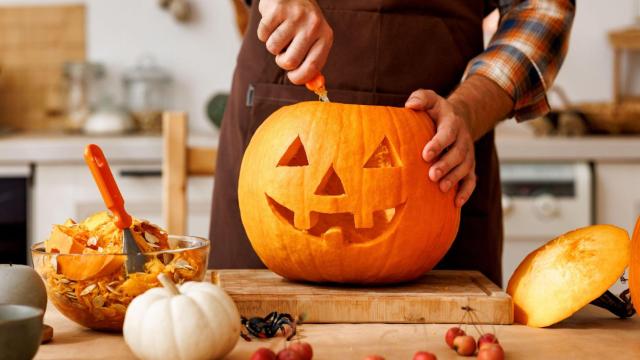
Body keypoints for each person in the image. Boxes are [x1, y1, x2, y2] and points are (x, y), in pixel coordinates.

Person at [210, 0, 575, 286]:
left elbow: (542, 7)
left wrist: (467, 110)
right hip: (280, 123)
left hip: (437, 146)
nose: (332, 188)